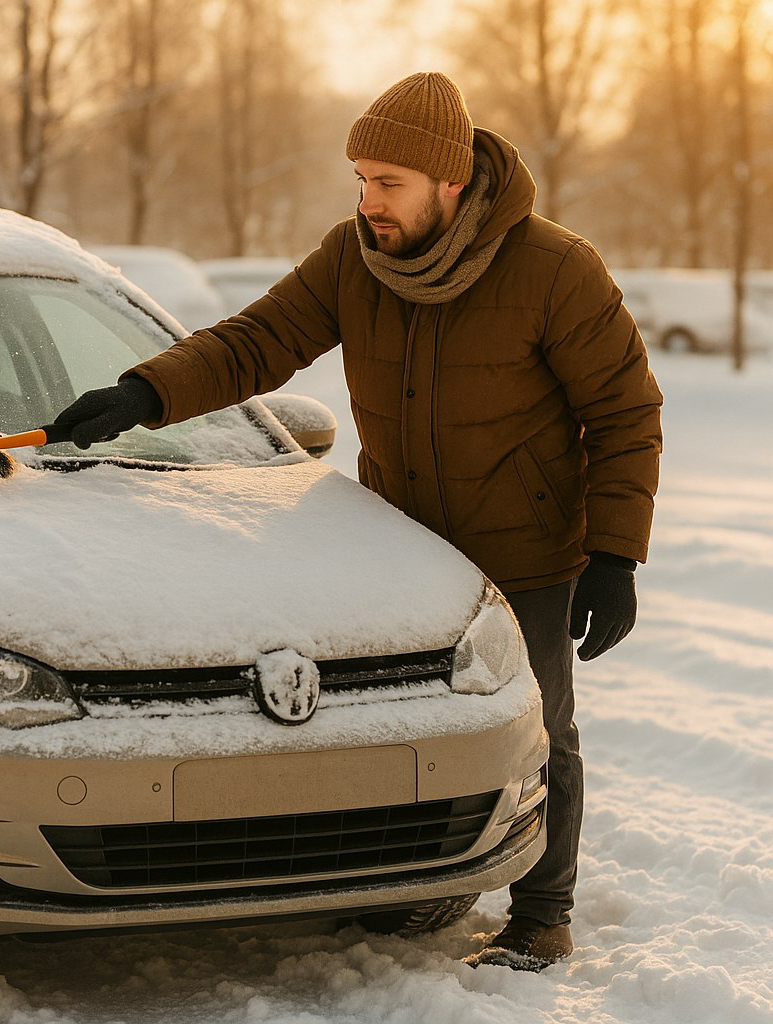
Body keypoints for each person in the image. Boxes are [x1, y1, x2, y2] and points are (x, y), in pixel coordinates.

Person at [53, 72, 663, 972]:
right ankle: (403, 880)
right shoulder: (354, 259)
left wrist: (614, 557)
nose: (369, 202)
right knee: (391, 730)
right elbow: (258, 339)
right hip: (403, 545)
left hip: (526, 551)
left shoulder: (552, 269)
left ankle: (542, 912)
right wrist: (147, 389)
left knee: (535, 733)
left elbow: (624, 412)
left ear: (451, 183)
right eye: (362, 180)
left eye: (390, 184)